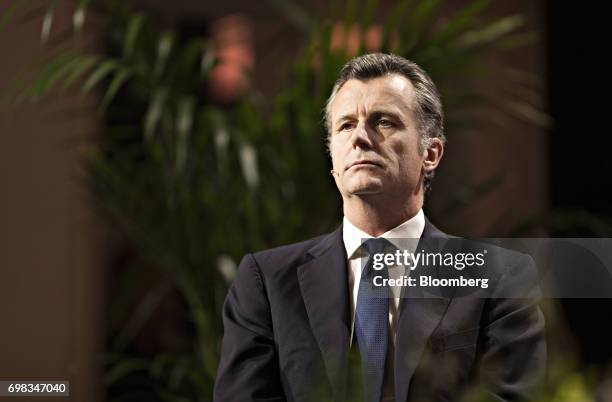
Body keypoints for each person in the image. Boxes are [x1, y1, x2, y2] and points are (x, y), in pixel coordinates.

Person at [213, 53, 546, 402]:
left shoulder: (500, 277)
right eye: (345, 125)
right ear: (333, 160)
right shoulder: (266, 281)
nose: (360, 138)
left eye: (383, 122)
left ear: (430, 154)